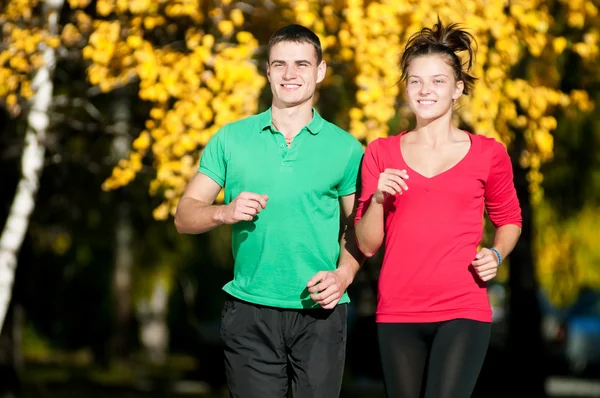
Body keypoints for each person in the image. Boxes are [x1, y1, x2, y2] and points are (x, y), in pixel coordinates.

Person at [174, 24, 364, 398]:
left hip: (321, 310)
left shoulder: (346, 149)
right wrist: (223, 212)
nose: (290, 74)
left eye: (301, 64)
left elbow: (360, 228)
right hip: (249, 311)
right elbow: (184, 216)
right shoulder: (231, 138)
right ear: (267, 71)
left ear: (320, 71)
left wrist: (344, 274)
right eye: (279, 64)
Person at [354, 19, 522, 398]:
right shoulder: (380, 153)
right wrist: (379, 199)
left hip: (463, 307)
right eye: (415, 81)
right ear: (406, 88)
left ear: (458, 88)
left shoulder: (488, 153)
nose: (425, 90)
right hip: (397, 310)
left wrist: (497, 252)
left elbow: (509, 219)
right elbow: (366, 244)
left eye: (437, 81)